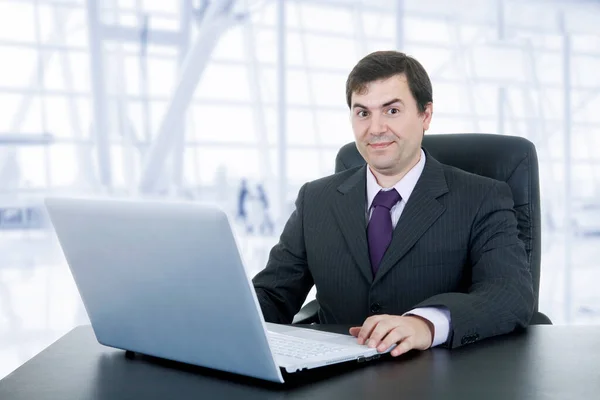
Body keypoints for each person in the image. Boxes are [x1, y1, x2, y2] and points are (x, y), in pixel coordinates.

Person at [252, 51, 534, 357]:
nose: (375, 129)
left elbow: (510, 293)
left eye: (392, 111)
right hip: (331, 380)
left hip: (439, 379)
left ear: (425, 115)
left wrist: (425, 324)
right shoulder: (316, 199)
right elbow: (272, 295)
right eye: (362, 113)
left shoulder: (482, 197)